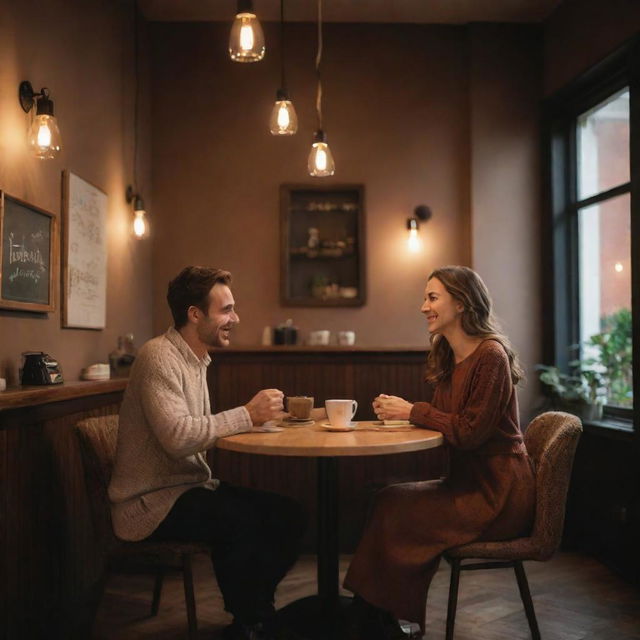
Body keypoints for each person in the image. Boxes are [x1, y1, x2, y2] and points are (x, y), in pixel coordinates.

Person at [108, 266, 306, 640]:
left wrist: (258, 420)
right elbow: (179, 437)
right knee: (239, 521)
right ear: (195, 314)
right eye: (226, 310)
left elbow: (196, 430)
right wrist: (246, 414)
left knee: (289, 516)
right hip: (150, 503)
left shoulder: (195, 359)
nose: (235, 318)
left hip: (188, 488)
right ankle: (253, 621)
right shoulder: (158, 357)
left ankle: (252, 616)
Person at [343, 265, 536, 639]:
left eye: (432, 298)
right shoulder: (452, 356)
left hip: (498, 496)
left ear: (461, 303)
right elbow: (447, 421)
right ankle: (374, 617)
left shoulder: (490, 356)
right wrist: (400, 414)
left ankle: (372, 619)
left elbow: (466, 433)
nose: (423, 307)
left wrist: (412, 410)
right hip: (469, 486)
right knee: (387, 499)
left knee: (398, 507)